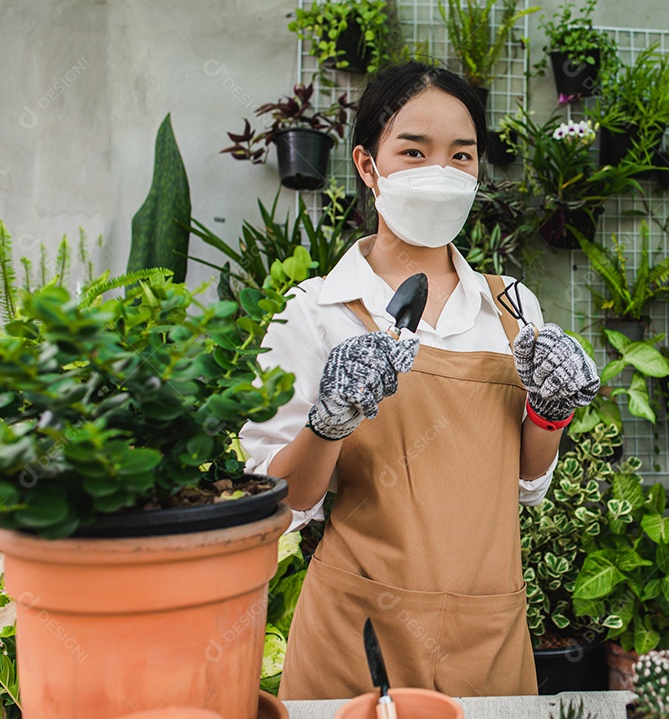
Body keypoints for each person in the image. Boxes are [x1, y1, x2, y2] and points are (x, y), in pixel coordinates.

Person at [240, 61, 600, 700]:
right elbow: (279, 506)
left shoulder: (511, 307)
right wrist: (329, 421)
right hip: (357, 639)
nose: (441, 171)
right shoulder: (315, 311)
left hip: (490, 633)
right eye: (414, 151)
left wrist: (551, 411)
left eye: (461, 155)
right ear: (367, 164)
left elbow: (525, 482)